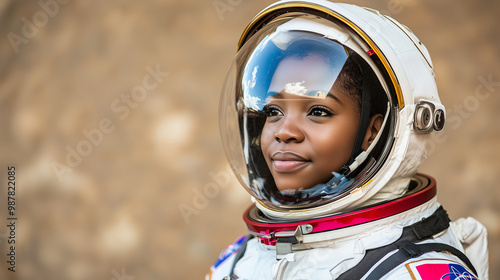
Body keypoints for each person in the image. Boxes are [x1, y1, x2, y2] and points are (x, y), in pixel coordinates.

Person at [209, 0, 489, 279]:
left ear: (373, 132)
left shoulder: (410, 272)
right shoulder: (239, 260)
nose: (284, 131)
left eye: (317, 111)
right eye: (273, 111)